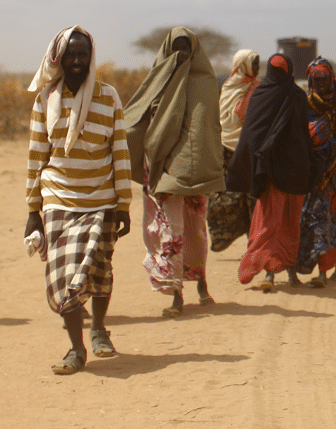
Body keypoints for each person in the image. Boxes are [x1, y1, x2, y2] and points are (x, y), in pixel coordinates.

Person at [25, 26, 132, 375]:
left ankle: (99, 329)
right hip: (57, 197)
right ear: (57, 57)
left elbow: (119, 150)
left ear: (91, 57)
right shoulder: (44, 100)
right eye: (69, 54)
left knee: (100, 269)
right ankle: (76, 348)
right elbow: (36, 156)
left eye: (82, 54)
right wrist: (32, 210)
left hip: (101, 199)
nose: (76, 60)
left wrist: (124, 204)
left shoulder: (108, 96)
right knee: (60, 274)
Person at [124, 27, 225, 317]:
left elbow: (207, 128)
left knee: (195, 229)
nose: (181, 54)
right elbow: (138, 116)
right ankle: (177, 292)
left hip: (194, 167)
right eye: (176, 48)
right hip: (160, 165)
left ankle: (201, 283)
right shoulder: (157, 81)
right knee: (170, 230)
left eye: (186, 48)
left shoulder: (204, 83)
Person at [227, 54, 313, 291]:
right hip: (291, 167)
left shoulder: (261, 94)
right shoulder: (296, 95)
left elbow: (252, 134)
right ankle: (274, 272)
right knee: (285, 220)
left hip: (276, 169)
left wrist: (253, 162)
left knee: (272, 221)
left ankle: (279, 273)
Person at [297, 58, 336, 287]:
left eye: (324, 80)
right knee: (318, 218)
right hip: (314, 172)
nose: (320, 85)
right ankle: (322, 270)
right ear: (310, 81)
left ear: (330, 80)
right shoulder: (305, 105)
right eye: (316, 81)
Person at [207, 49, 260, 252]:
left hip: (247, 149)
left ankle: (253, 242)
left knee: (251, 198)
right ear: (242, 65)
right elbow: (223, 119)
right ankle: (223, 236)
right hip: (226, 149)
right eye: (253, 64)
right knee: (223, 197)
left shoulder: (257, 88)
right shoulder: (227, 88)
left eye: (257, 64)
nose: (256, 68)